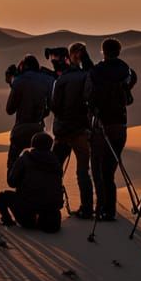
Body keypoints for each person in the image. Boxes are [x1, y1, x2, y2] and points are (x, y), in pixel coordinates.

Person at [84, 37, 137, 221]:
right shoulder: (125, 70)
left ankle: (103, 208)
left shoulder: (96, 71)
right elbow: (131, 84)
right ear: (119, 51)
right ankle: (109, 208)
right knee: (109, 169)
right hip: (120, 125)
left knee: (98, 168)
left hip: (101, 125)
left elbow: (88, 95)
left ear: (103, 51)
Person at [51, 41, 95, 219]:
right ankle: (87, 207)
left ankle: (52, 202)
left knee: (55, 168)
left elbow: (54, 105)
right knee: (83, 171)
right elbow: (90, 99)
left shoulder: (62, 79)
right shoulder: (88, 75)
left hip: (63, 131)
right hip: (81, 130)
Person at [0, 132, 64, 232]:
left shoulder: (25, 159)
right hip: (51, 217)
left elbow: (11, 182)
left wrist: (12, 165)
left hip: (27, 214)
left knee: (2, 196)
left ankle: (8, 220)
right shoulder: (55, 162)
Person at [5, 54, 54, 173]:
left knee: (12, 168)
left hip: (20, 129)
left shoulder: (18, 81)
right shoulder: (48, 80)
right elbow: (52, 106)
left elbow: (9, 109)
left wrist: (12, 83)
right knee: (40, 167)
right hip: (38, 129)